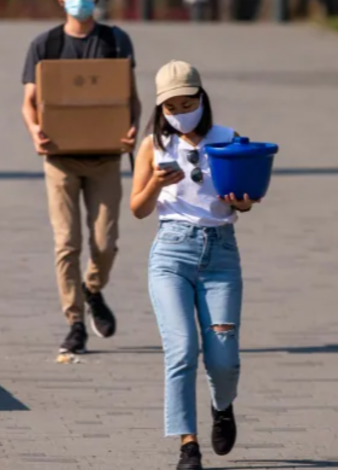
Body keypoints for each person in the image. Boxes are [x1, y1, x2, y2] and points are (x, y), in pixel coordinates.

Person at [130, 60, 258, 470]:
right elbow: (137, 208)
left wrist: (242, 200)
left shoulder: (227, 139)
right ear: (160, 108)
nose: (181, 112)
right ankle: (188, 445)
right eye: (171, 107)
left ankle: (223, 406)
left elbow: (245, 200)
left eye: (188, 102)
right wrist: (155, 183)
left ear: (202, 98)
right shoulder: (153, 145)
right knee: (181, 349)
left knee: (223, 359)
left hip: (220, 253)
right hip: (171, 252)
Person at [21, 0, 141, 355]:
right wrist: (35, 130)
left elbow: (129, 98)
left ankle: (93, 289)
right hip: (60, 160)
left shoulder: (116, 42)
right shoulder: (45, 46)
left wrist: (131, 130)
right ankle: (74, 321)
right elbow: (29, 103)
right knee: (66, 242)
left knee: (105, 241)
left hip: (106, 157)